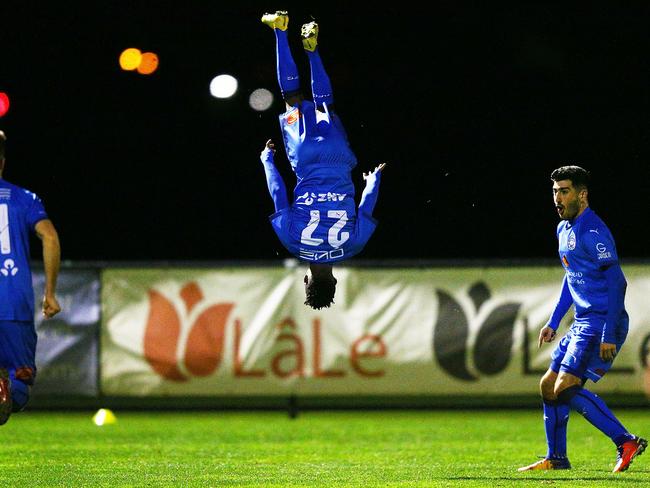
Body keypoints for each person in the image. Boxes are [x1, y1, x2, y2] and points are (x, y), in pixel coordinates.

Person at [519, 165, 646, 473]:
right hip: (582, 322)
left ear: (582, 195)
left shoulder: (593, 232)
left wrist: (609, 335)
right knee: (549, 385)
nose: (557, 199)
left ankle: (626, 441)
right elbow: (571, 277)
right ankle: (557, 458)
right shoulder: (563, 229)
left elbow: (618, 283)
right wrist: (553, 320)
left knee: (565, 387)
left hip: (602, 322)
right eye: (554, 192)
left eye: (564, 191)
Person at [259, 11, 385, 309]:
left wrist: (373, 180)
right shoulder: (293, 243)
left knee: (324, 104)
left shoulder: (354, 246)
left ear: (336, 280)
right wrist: (267, 159)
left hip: (340, 158)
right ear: (307, 279)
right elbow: (278, 193)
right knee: (291, 96)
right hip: (305, 158)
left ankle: (313, 52)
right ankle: (279, 30)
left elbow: (367, 204)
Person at [0, 130, 61, 425]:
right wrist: (50, 292)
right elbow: (49, 237)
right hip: (13, 303)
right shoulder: (24, 199)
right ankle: (5, 390)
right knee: (19, 387)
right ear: (2, 162)